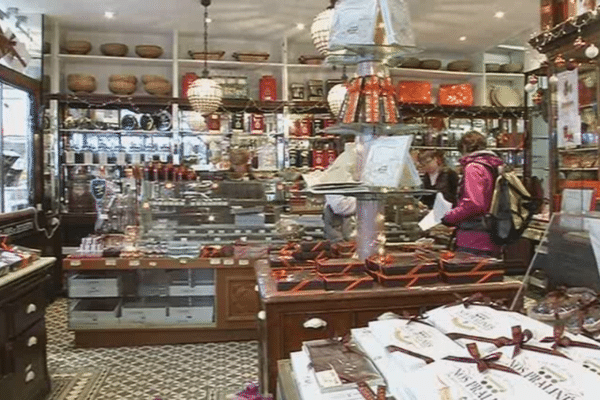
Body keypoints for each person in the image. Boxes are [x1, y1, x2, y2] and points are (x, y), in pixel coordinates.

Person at [441, 131, 504, 257]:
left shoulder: (474, 167)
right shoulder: (492, 166)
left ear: (464, 147)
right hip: (491, 235)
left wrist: (449, 217)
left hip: (474, 239)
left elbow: (474, 204)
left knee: (470, 275)